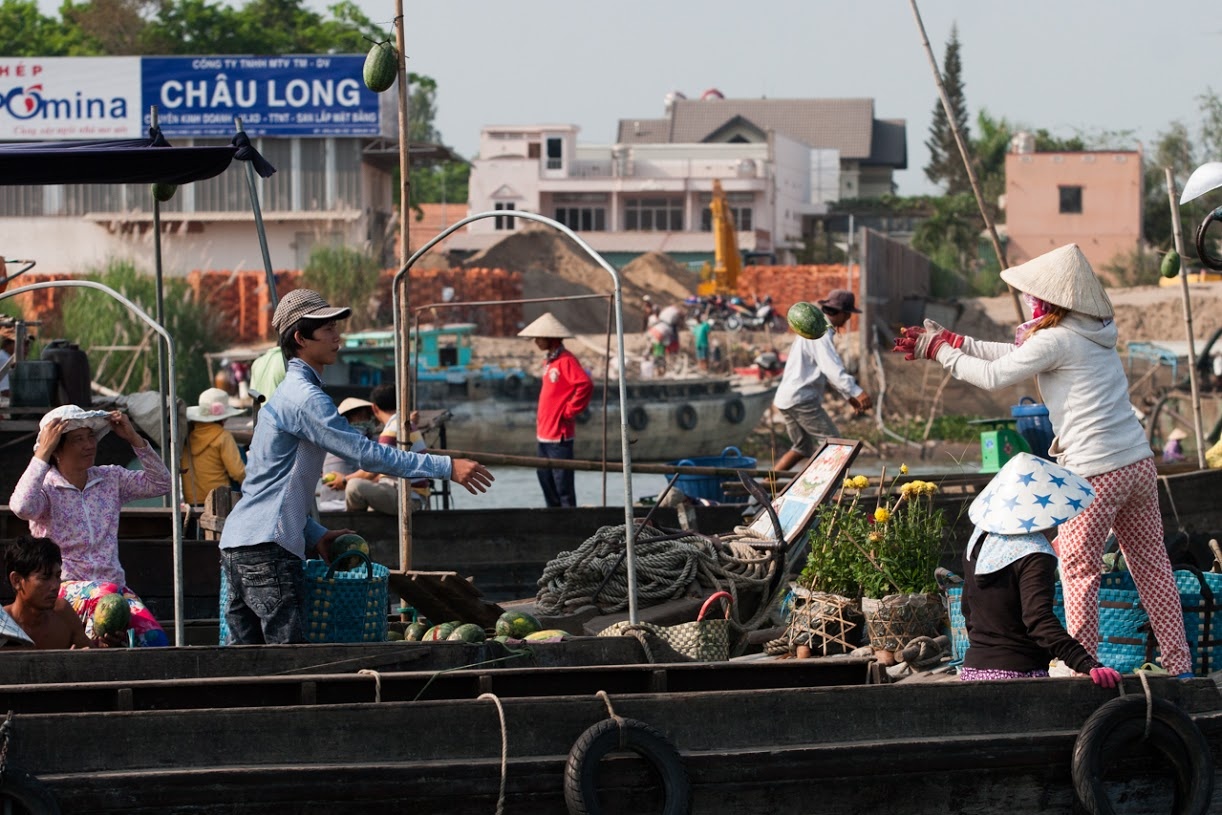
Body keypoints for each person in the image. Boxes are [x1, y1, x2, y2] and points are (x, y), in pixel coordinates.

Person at [894, 243, 1193, 678]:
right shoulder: (1091, 328)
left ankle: (1080, 671)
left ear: (1050, 300)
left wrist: (940, 352)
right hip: (1138, 463)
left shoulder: (1057, 338)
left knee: (1077, 571)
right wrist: (955, 342)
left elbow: (997, 375)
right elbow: (1016, 356)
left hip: (1096, 470)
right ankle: (1180, 665)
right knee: (1152, 566)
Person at [218, 289, 494, 644]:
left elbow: (266, 486)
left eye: (336, 327)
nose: (337, 336)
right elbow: (367, 455)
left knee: (248, 665)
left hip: (239, 547)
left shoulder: (285, 396)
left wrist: (313, 534)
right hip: (267, 551)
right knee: (289, 663)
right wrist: (445, 467)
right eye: (327, 329)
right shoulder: (306, 398)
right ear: (301, 339)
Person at [9, 404, 172, 646]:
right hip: (63, 591)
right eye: (78, 439)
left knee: (157, 641)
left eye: (90, 437)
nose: (89, 445)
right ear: (56, 449)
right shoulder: (46, 489)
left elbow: (162, 484)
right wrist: (41, 453)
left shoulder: (110, 478)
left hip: (114, 592)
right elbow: (21, 507)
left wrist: (134, 438)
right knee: (107, 593)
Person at [959, 453, 1122, 687]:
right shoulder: (1035, 554)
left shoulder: (978, 541)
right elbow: (1038, 620)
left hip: (973, 670)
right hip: (1018, 675)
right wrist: (1086, 663)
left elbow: (967, 608)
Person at [771, 289, 873, 471]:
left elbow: (827, 369)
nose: (848, 319)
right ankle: (817, 491)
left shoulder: (814, 329)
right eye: (848, 314)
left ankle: (762, 490)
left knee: (801, 448)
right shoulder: (820, 333)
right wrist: (857, 392)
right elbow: (832, 370)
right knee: (836, 446)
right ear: (841, 313)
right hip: (800, 399)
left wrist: (847, 395)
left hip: (787, 398)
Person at [518, 312, 593, 507]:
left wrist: (569, 411)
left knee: (562, 483)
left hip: (559, 434)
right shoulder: (550, 361)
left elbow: (584, 384)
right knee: (545, 477)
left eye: (539, 338)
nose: (536, 341)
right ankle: (554, 516)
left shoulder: (566, 360)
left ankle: (568, 520)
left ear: (550, 338)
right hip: (544, 433)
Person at [332, 385, 433, 514]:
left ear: (374, 408)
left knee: (354, 487)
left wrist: (345, 480)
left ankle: (356, 529)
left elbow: (373, 469)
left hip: (409, 498)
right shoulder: (404, 424)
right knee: (363, 490)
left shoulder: (392, 430)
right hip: (405, 493)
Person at [4, 535, 95, 649]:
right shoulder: (3, 625)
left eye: (57, 576)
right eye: (45, 577)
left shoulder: (63, 614)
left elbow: (93, 656)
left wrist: (106, 645)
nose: (55, 586)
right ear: (17, 580)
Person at [182, 387, 247, 505]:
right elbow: (238, 472)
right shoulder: (223, 436)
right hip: (219, 500)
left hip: (192, 501)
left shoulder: (186, 436)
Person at [317, 396, 377, 512]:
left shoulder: (328, 440)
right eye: (366, 416)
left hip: (325, 504)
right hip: (348, 503)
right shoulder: (364, 439)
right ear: (355, 417)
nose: (370, 420)